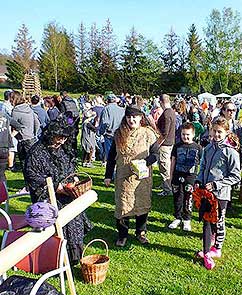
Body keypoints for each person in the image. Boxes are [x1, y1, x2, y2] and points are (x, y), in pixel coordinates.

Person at [24, 115, 92, 265]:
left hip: (66, 193)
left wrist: (73, 180)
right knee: (64, 215)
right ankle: (58, 259)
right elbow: (32, 176)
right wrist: (56, 187)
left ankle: (74, 256)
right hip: (46, 197)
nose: (61, 141)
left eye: (65, 138)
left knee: (76, 213)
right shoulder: (36, 153)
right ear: (51, 134)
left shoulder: (63, 149)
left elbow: (69, 168)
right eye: (59, 137)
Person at [104, 105, 159, 247]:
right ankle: (122, 235)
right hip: (123, 177)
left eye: (134, 117)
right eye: (129, 117)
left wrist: (144, 162)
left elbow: (155, 155)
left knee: (141, 204)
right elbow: (111, 157)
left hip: (142, 178)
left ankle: (141, 232)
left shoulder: (148, 134)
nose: (131, 120)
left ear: (141, 117)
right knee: (123, 205)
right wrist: (108, 175)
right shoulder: (119, 134)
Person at [195, 117, 241, 270]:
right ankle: (207, 251)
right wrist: (198, 180)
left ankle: (218, 248)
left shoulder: (231, 152)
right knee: (207, 221)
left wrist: (217, 184)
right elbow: (203, 167)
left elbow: (236, 176)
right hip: (205, 192)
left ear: (227, 133)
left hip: (221, 194)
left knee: (218, 222)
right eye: (214, 131)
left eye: (220, 132)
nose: (216, 134)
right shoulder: (208, 148)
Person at [168, 122, 203, 231]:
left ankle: (187, 219)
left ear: (193, 135)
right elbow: (173, 160)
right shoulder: (177, 146)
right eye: (183, 134)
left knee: (188, 198)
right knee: (177, 196)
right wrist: (170, 175)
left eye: (188, 134)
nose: (185, 137)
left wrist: (199, 178)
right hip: (177, 175)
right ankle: (177, 217)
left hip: (191, 177)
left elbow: (202, 163)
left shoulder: (198, 148)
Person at [10, 91, 40, 169]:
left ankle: (28, 180)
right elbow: (37, 123)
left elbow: (13, 126)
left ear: (13, 99)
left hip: (22, 140)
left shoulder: (15, 111)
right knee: (34, 162)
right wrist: (34, 133)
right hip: (32, 138)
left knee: (24, 163)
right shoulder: (29, 108)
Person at [156, 94, 176, 196]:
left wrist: (157, 144)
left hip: (165, 144)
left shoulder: (166, 114)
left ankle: (167, 189)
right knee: (166, 166)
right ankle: (165, 186)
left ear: (161, 102)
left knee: (164, 167)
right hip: (170, 143)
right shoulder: (172, 112)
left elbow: (164, 133)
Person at [99, 93, 125, 162]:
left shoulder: (106, 109)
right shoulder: (122, 109)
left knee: (110, 156)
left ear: (107, 100)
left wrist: (101, 132)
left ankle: (112, 172)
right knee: (119, 154)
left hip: (109, 135)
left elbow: (105, 122)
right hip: (120, 134)